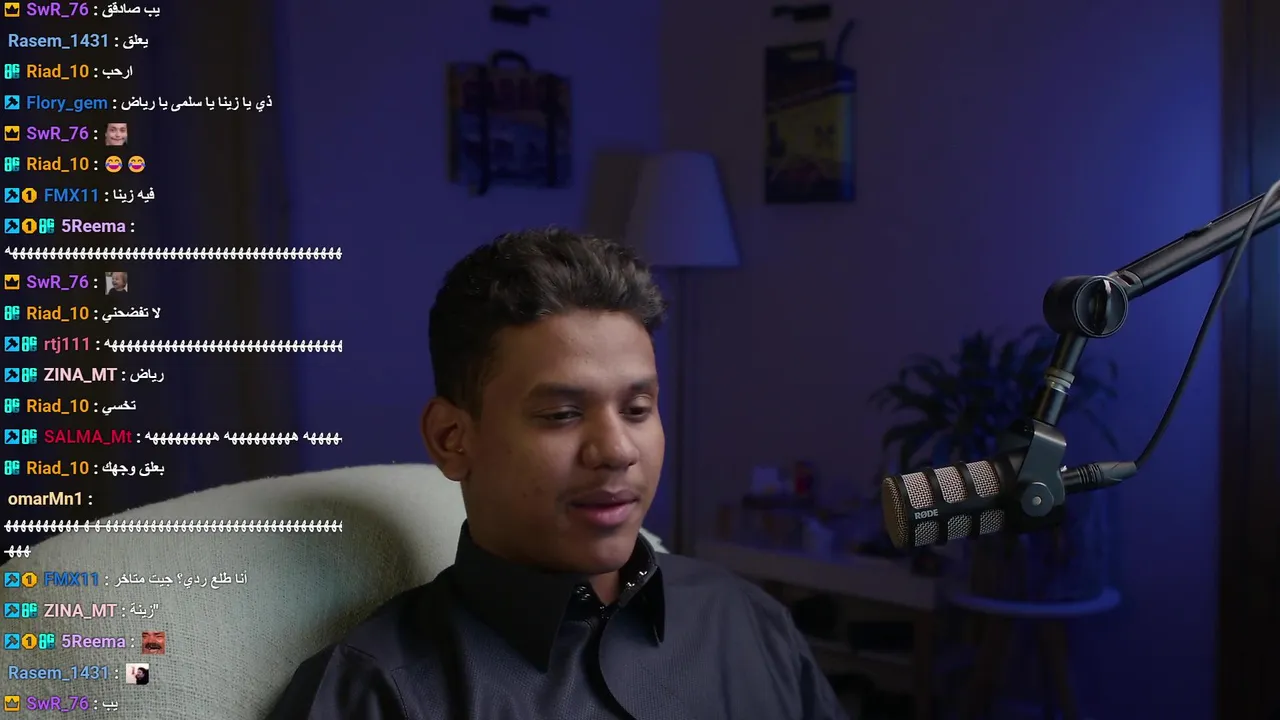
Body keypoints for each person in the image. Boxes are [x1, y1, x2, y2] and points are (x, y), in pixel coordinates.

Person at [267, 229, 850, 719]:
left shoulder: (746, 622)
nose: (617, 450)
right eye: (562, 415)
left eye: (637, 409)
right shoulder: (376, 693)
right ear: (452, 438)